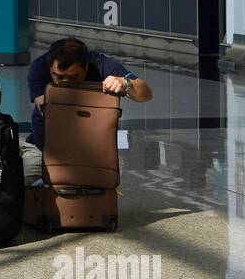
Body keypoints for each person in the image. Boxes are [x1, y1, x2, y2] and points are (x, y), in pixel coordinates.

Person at [25, 37, 152, 181]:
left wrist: (125, 82)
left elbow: (145, 94)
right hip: (42, 147)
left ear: (86, 68)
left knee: (102, 184)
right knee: (26, 180)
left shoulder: (100, 65)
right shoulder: (39, 67)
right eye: (58, 77)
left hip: (92, 151)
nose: (66, 82)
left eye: (73, 77)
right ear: (50, 69)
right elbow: (51, 114)